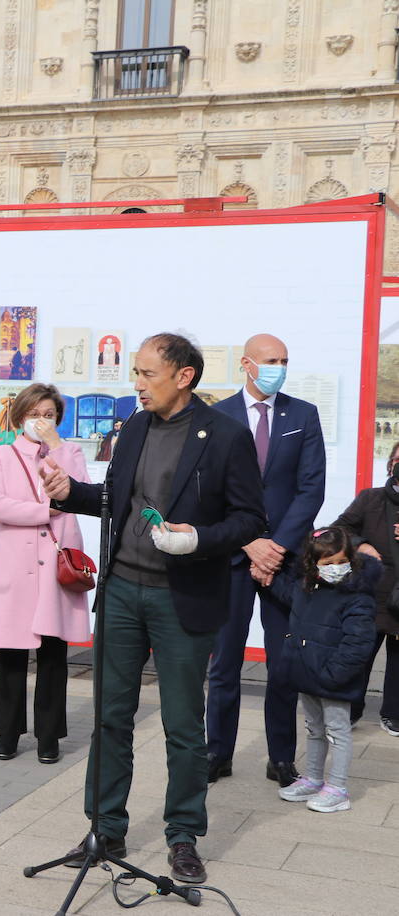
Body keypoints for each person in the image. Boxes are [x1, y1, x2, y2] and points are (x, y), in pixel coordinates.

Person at [41, 333, 265, 885]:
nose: (136, 384)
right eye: (135, 373)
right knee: (109, 716)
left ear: (183, 377)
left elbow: (250, 520)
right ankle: (105, 828)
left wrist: (199, 538)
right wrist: (70, 491)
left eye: (146, 374)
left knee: (183, 725)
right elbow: (117, 503)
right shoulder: (135, 426)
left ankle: (184, 835)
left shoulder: (226, 437)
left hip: (181, 598)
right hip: (121, 592)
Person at [205, 333, 325, 787]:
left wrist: (274, 547)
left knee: (283, 663)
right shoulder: (217, 416)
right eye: (271, 360)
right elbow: (210, 494)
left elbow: (310, 488)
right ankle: (217, 752)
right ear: (247, 364)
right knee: (224, 663)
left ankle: (281, 757)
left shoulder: (302, 415)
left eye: (285, 360)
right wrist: (249, 543)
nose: (279, 367)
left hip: (285, 560)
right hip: (234, 559)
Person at [0, 383, 89, 765]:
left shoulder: (69, 452)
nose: (41, 421)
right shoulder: (1, 455)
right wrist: (44, 512)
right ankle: (7, 732)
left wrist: (57, 445)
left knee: (54, 654)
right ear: (19, 416)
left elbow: (79, 490)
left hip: (56, 568)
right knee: (11, 654)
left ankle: (49, 736)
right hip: (14, 566)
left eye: (49, 414)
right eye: (34, 414)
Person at [257, 528, 377, 813]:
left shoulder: (358, 597)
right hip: (306, 674)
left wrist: (333, 675)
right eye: (328, 564)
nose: (336, 569)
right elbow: (288, 595)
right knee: (314, 729)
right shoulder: (308, 588)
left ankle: (338, 787)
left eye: (341, 561)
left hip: (334, 678)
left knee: (338, 731)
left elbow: (358, 643)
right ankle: (313, 778)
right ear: (314, 565)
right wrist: (265, 575)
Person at [332, 441, 399, 731]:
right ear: (390, 464)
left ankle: (393, 713)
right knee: (359, 655)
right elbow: (338, 528)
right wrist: (363, 545)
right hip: (371, 593)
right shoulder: (370, 498)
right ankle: (350, 710)